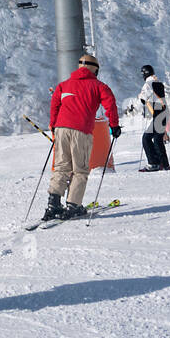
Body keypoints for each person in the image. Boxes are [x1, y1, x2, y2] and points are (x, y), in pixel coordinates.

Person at [45, 53, 120, 220]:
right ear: (95, 70)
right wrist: (114, 126)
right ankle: (73, 205)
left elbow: (54, 107)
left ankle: (53, 204)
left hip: (61, 129)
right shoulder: (99, 86)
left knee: (61, 167)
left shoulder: (63, 85)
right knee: (80, 169)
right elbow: (110, 105)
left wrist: (54, 127)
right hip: (81, 130)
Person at [139, 66, 170, 172]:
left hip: (159, 114)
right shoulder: (157, 82)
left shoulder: (148, 83)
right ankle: (163, 164)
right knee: (157, 140)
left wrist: (141, 98)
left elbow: (144, 97)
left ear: (145, 73)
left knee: (146, 138)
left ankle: (154, 164)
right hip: (164, 113)